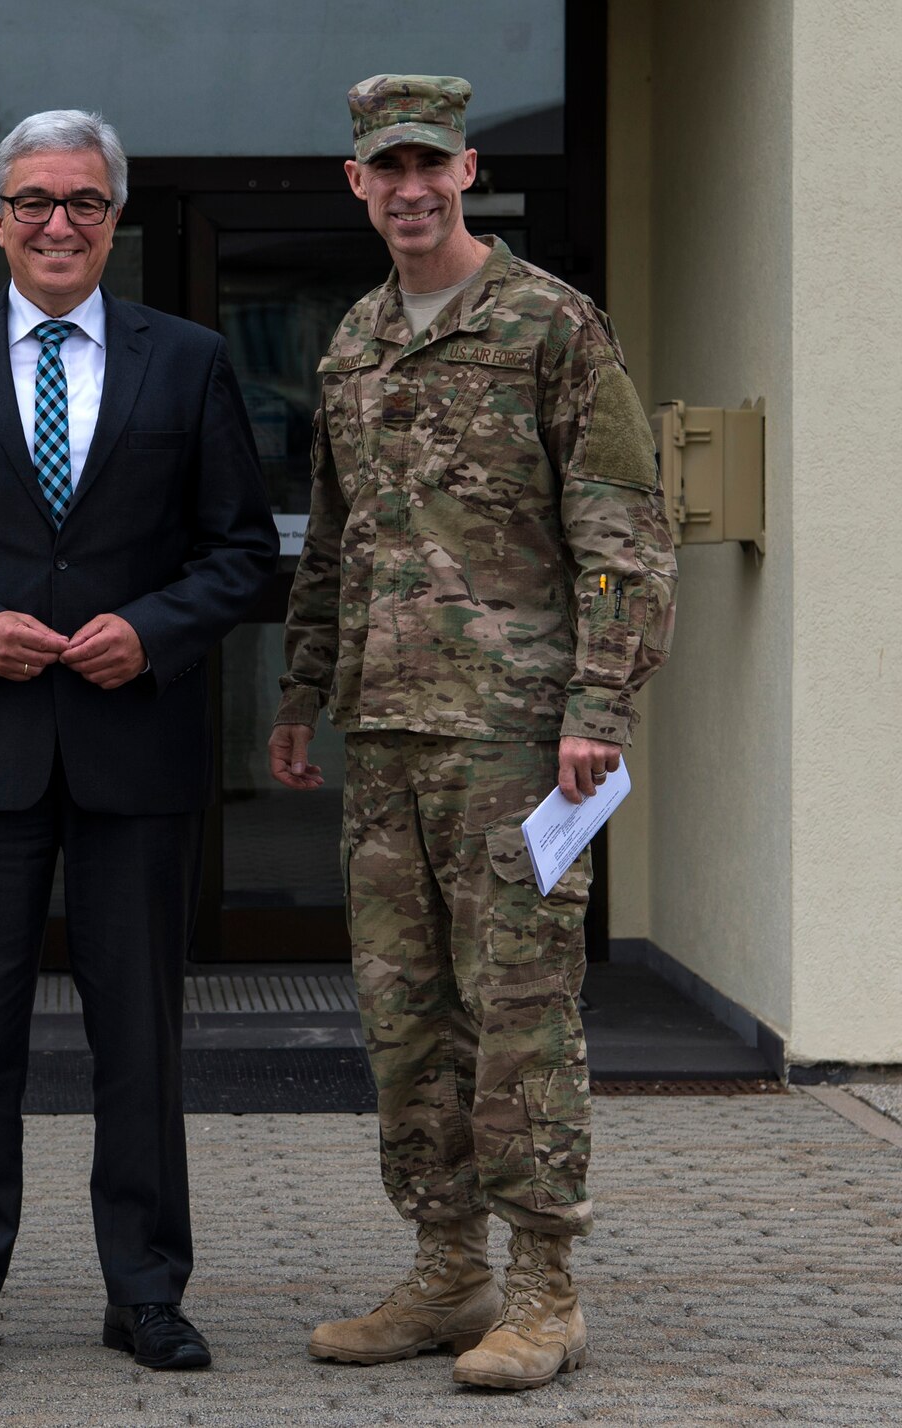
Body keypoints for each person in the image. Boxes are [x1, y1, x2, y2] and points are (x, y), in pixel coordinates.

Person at [0, 110, 277, 1375]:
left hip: (134, 751)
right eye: (32, 200)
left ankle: (145, 1289)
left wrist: (151, 632)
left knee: (137, 1036)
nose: (56, 223)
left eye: (83, 202)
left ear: (114, 219)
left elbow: (240, 549)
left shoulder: (184, 359)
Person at [270, 75, 677, 1391]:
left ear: (468, 169)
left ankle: (544, 1288)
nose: (408, 187)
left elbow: (622, 535)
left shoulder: (553, 327)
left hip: (517, 740)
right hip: (385, 737)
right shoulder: (353, 344)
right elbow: (333, 544)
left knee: (522, 1019)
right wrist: (300, 688)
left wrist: (599, 707)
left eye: (428, 165)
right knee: (406, 1020)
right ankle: (447, 1273)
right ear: (356, 181)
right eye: (385, 167)